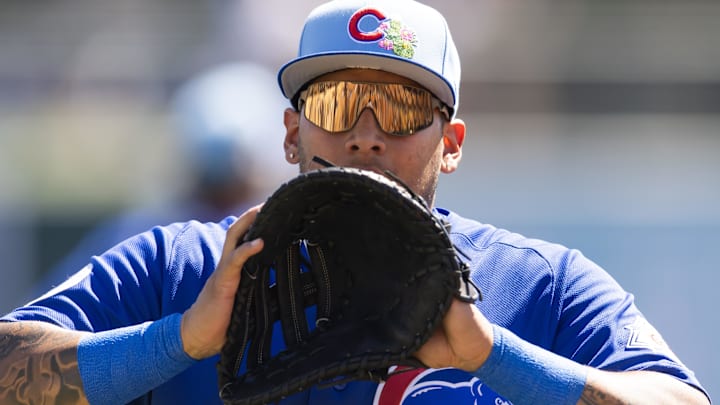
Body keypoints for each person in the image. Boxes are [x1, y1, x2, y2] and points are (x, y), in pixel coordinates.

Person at [0, 1, 711, 404]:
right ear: (290, 132)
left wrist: (495, 354)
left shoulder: (542, 284)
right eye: (337, 103)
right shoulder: (179, 264)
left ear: (453, 141)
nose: (366, 136)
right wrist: (178, 341)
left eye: (402, 107)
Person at [32, 61, 295, 294]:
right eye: (212, 187)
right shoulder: (140, 236)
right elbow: (32, 327)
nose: (221, 207)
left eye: (232, 184)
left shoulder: (295, 232)